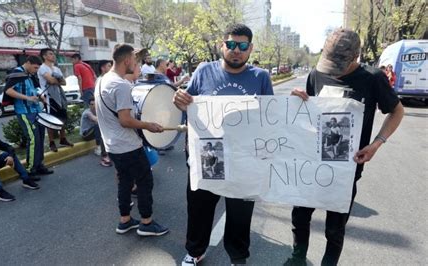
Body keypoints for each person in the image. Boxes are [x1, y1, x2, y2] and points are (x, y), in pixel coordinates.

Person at [287, 28, 404, 266]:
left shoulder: (373, 79)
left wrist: (376, 144)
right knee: (299, 216)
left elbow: (397, 111)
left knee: (335, 226)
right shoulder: (316, 75)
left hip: (345, 170)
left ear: (356, 58)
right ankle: (297, 258)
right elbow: (306, 114)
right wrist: (296, 101)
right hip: (310, 164)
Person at [173, 23, 273, 265]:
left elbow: (272, 115)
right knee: (199, 209)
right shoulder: (203, 71)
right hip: (209, 157)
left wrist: (297, 103)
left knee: (240, 212)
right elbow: (187, 104)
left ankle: (238, 256)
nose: (235, 50)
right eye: (230, 44)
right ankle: (195, 251)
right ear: (222, 46)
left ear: (250, 49)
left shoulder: (261, 77)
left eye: (241, 46)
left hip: (244, 159)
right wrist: (179, 100)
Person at [95, 44, 168, 236]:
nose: (136, 64)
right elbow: (125, 120)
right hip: (127, 146)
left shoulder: (102, 80)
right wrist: (148, 125)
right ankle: (146, 222)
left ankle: (125, 220)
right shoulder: (121, 85)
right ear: (127, 60)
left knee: (125, 183)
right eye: (135, 61)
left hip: (112, 145)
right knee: (145, 182)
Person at [5, 55, 54, 177]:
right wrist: (27, 98)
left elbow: (36, 88)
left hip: (36, 110)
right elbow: (8, 90)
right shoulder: (16, 74)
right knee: (33, 139)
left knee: (40, 138)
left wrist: (40, 96)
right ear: (28, 63)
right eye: (35, 67)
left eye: (38, 68)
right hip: (24, 111)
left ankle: (39, 165)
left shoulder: (31, 74)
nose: (36, 70)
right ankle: (30, 169)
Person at [38, 48, 74, 152]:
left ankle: (63, 139)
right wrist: (57, 80)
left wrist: (56, 80)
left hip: (59, 96)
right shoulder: (42, 68)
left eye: (53, 54)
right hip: (49, 97)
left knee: (62, 118)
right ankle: (51, 142)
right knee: (50, 120)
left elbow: (64, 82)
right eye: (50, 54)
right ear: (44, 56)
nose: (53, 56)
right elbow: (51, 80)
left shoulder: (56, 69)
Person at [80, 97, 111, 167]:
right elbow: (96, 119)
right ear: (89, 105)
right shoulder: (87, 112)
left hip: (93, 132)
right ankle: (98, 148)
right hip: (86, 134)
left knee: (103, 129)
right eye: (91, 104)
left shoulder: (98, 112)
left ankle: (109, 149)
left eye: (95, 104)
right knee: (98, 126)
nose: (93, 106)